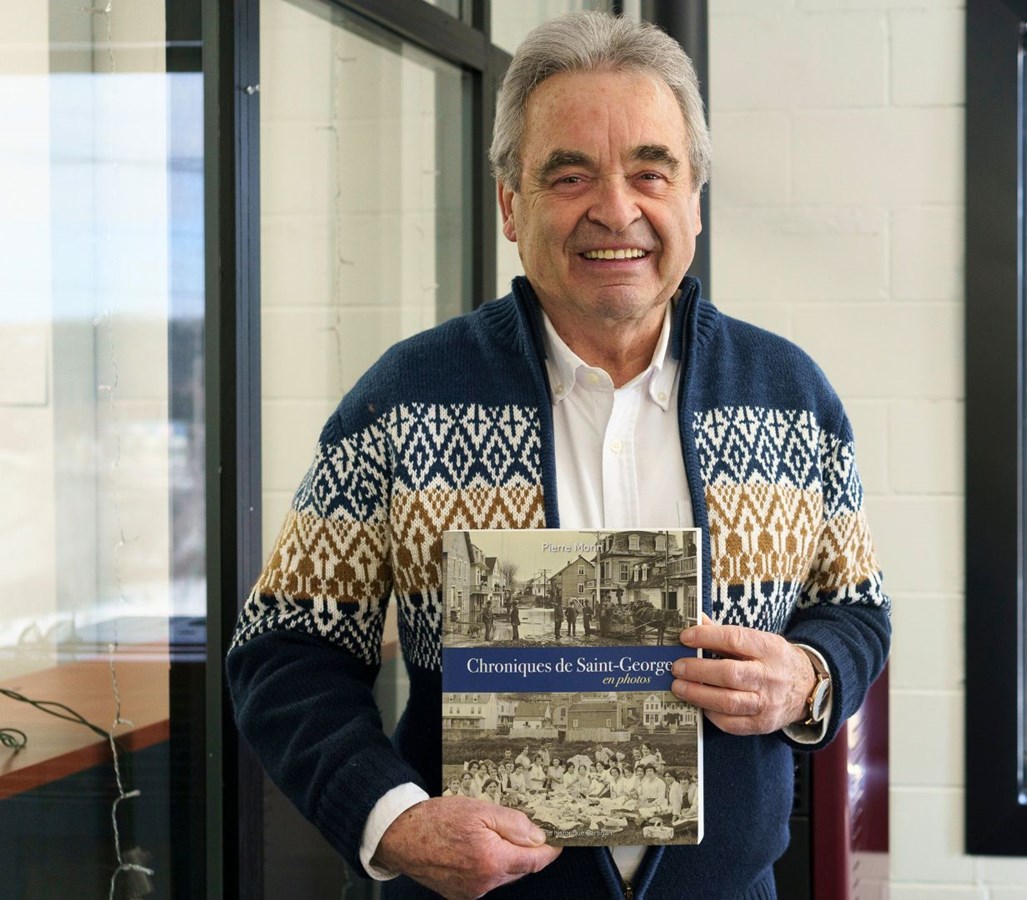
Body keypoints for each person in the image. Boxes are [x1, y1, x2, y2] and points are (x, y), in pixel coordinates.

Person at [226, 10, 889, 900]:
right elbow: (284, 649)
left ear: (693, 196)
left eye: (651, 172)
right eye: (569, 175)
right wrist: (393, 818)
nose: (616, 210)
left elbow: (856, 609)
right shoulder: (403, 398)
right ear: (510, 204)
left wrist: (808, 679)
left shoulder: (791, 397)